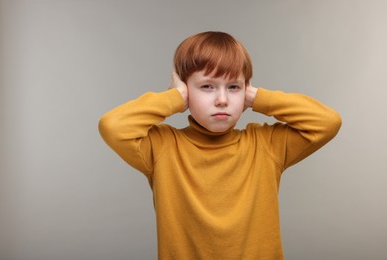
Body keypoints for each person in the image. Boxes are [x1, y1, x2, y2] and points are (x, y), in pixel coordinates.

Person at [98, 31, 342, 260]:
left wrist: (256, 97)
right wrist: (175, 98)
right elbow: (114, 126)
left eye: (233, 87)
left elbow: (326, 122)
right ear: (185, 90)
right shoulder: (163, 147)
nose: (223, 100)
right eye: (207, 86)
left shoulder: (266, 145)